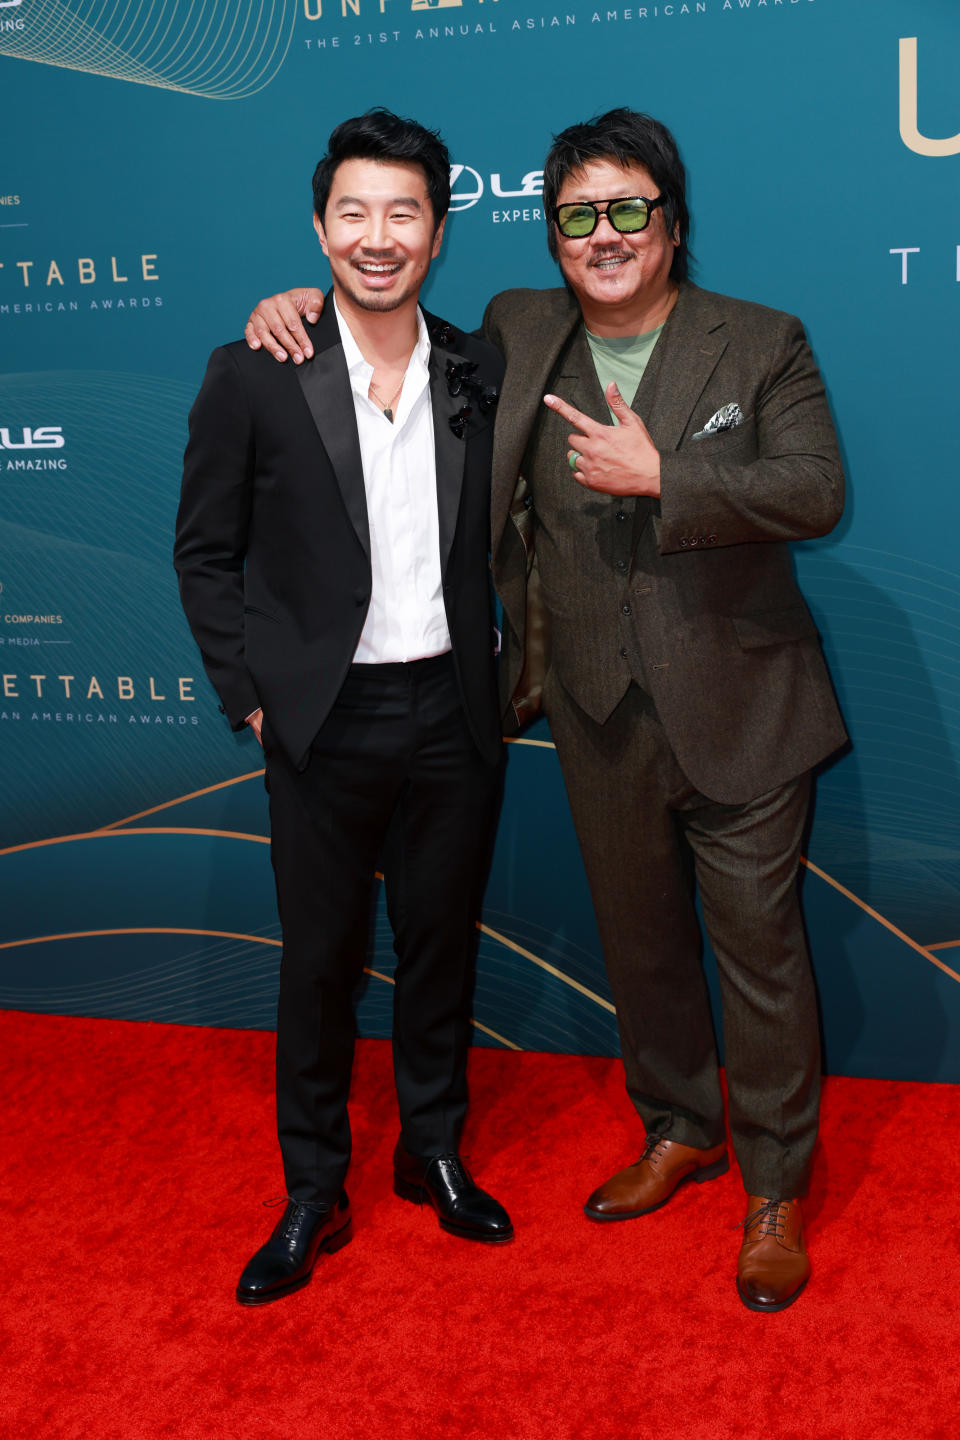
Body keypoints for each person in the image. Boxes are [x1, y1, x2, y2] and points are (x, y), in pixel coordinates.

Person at [242, 108, 846, 1313]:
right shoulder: (520, 328)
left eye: (630, 210)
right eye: (580, 216)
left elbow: (815, 489)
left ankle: (775, 1183)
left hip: (743, 708)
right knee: (644, 945)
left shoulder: (760, 341)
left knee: (763, 959)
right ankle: (681, 1125)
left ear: (671, 224)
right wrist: (291, 303)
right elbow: (380, 305)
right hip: (593, 708)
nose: (605, 235)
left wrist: (670, 475)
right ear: (553, 234)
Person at [175, 109, 512, 1308]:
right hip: (320, 722)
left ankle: (430, 1152)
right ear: (321, 228)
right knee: (318, 966)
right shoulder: (253, 369)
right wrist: (253, 700)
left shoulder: (484, 365)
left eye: (404, 212)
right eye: (355, 213)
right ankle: (313, 1185)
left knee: (439, 951)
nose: (379, 237)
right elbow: (204, 554)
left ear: (438, 230)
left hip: (456, 715)